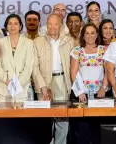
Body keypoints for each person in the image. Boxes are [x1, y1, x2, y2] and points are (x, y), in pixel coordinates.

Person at [32, 14, 75, 144]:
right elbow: (34, 66)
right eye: (49, 24)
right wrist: (43, 86)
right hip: (44, 81)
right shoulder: (38, 41)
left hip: (63, 80)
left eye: (55, 24)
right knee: (45, 117)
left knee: (62, 117)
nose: (52, 27)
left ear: (61, 26)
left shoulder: (69, 40)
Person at [70, 23, 108, 144]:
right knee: (82, 130)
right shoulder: (77, 51)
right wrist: (80, 91)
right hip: (82, 95)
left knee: (98, 130)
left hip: (101, 94)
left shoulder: (104, 50)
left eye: (93, 33)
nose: (90, 36)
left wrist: (103, 88)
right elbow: (74, 72)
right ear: (83, 35)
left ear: (97, 34)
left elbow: (108, 71)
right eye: (87, 33)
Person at [0, 14, 35, 102]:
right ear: (6, 26)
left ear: (20, 26)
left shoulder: (29, 43)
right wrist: (8, 82)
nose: (13, 26)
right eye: (10, 24)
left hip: (22, 89)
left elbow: (28, 67)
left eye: (16, 24)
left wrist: (17, 85)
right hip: (3, 89)